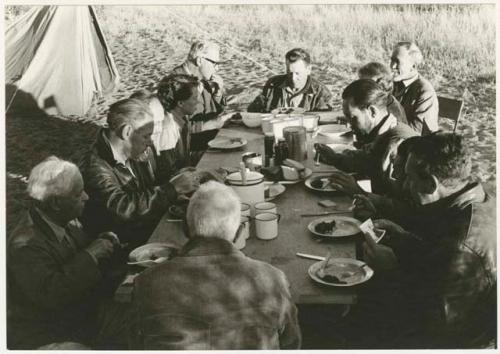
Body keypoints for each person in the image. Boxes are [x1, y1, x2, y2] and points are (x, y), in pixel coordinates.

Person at [354, 133, 496, 348]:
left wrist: (390, 270)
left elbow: (435, 322)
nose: (405, 186)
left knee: (355, 313)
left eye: (410, 178)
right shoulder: (474, 196)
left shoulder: (461, 246)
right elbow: (437, 258)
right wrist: (405, 239)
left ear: (431, 184)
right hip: (450, 303)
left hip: (460, 338)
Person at [130, 181, 301, 349]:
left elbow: (135, 346)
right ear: (239, 233)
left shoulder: (146, 282)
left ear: (185, 228)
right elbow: (291, 344)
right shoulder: (273, 280)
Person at [7, 157, 129, 349]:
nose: (86, 197)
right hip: (50, 331)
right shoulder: (25, 245)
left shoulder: (62, 218)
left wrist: (102, 244)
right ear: (56, 202)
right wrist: (91, 254)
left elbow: (74, 255)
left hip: (79, 311)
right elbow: (52, 294)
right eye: (78, 193)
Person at [79, 98, 199, 247]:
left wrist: (178, 179)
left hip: (146, 232)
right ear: (127, 132)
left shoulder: (131, 152)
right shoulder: (94, 166)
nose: (151, 142)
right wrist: (172, 189)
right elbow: (121, 208)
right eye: (146, 136)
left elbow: (150, 188)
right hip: (122, 246)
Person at [315, 79, 417, 195]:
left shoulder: (396, 146)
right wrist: (335, 158)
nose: (348, 124)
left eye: (353, 117)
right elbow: (366, 160)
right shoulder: (383, 132)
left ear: (372, 111)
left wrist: (358, 192)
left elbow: (404, 204)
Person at [171, 41, 227, 159]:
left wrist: (217, 93)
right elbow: (172, 127)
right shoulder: (176, 82)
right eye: (215, 63)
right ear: (199, 60)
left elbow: (215, 114)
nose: (217, 69)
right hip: (188, 148)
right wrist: (207, 125)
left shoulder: (203, 78)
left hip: (208, 139)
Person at [248, 48, 333, 112]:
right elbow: (253, 113)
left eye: (298, 73)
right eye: (289, 73)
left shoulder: (321, 93)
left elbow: (325, 123)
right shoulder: (272, 84)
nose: (293, 79)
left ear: (308, 70)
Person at [391, 41, 439, 134]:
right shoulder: (393, 83)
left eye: (397, 61)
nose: (392, 66)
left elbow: (417, 132)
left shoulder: (425, 92)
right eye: (392, 60)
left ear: (413, 66)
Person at [358, 61, 407, 126]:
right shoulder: (377, 102)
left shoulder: (392, 111)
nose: (361, 88)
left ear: (382, 84)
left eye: (367, 85)